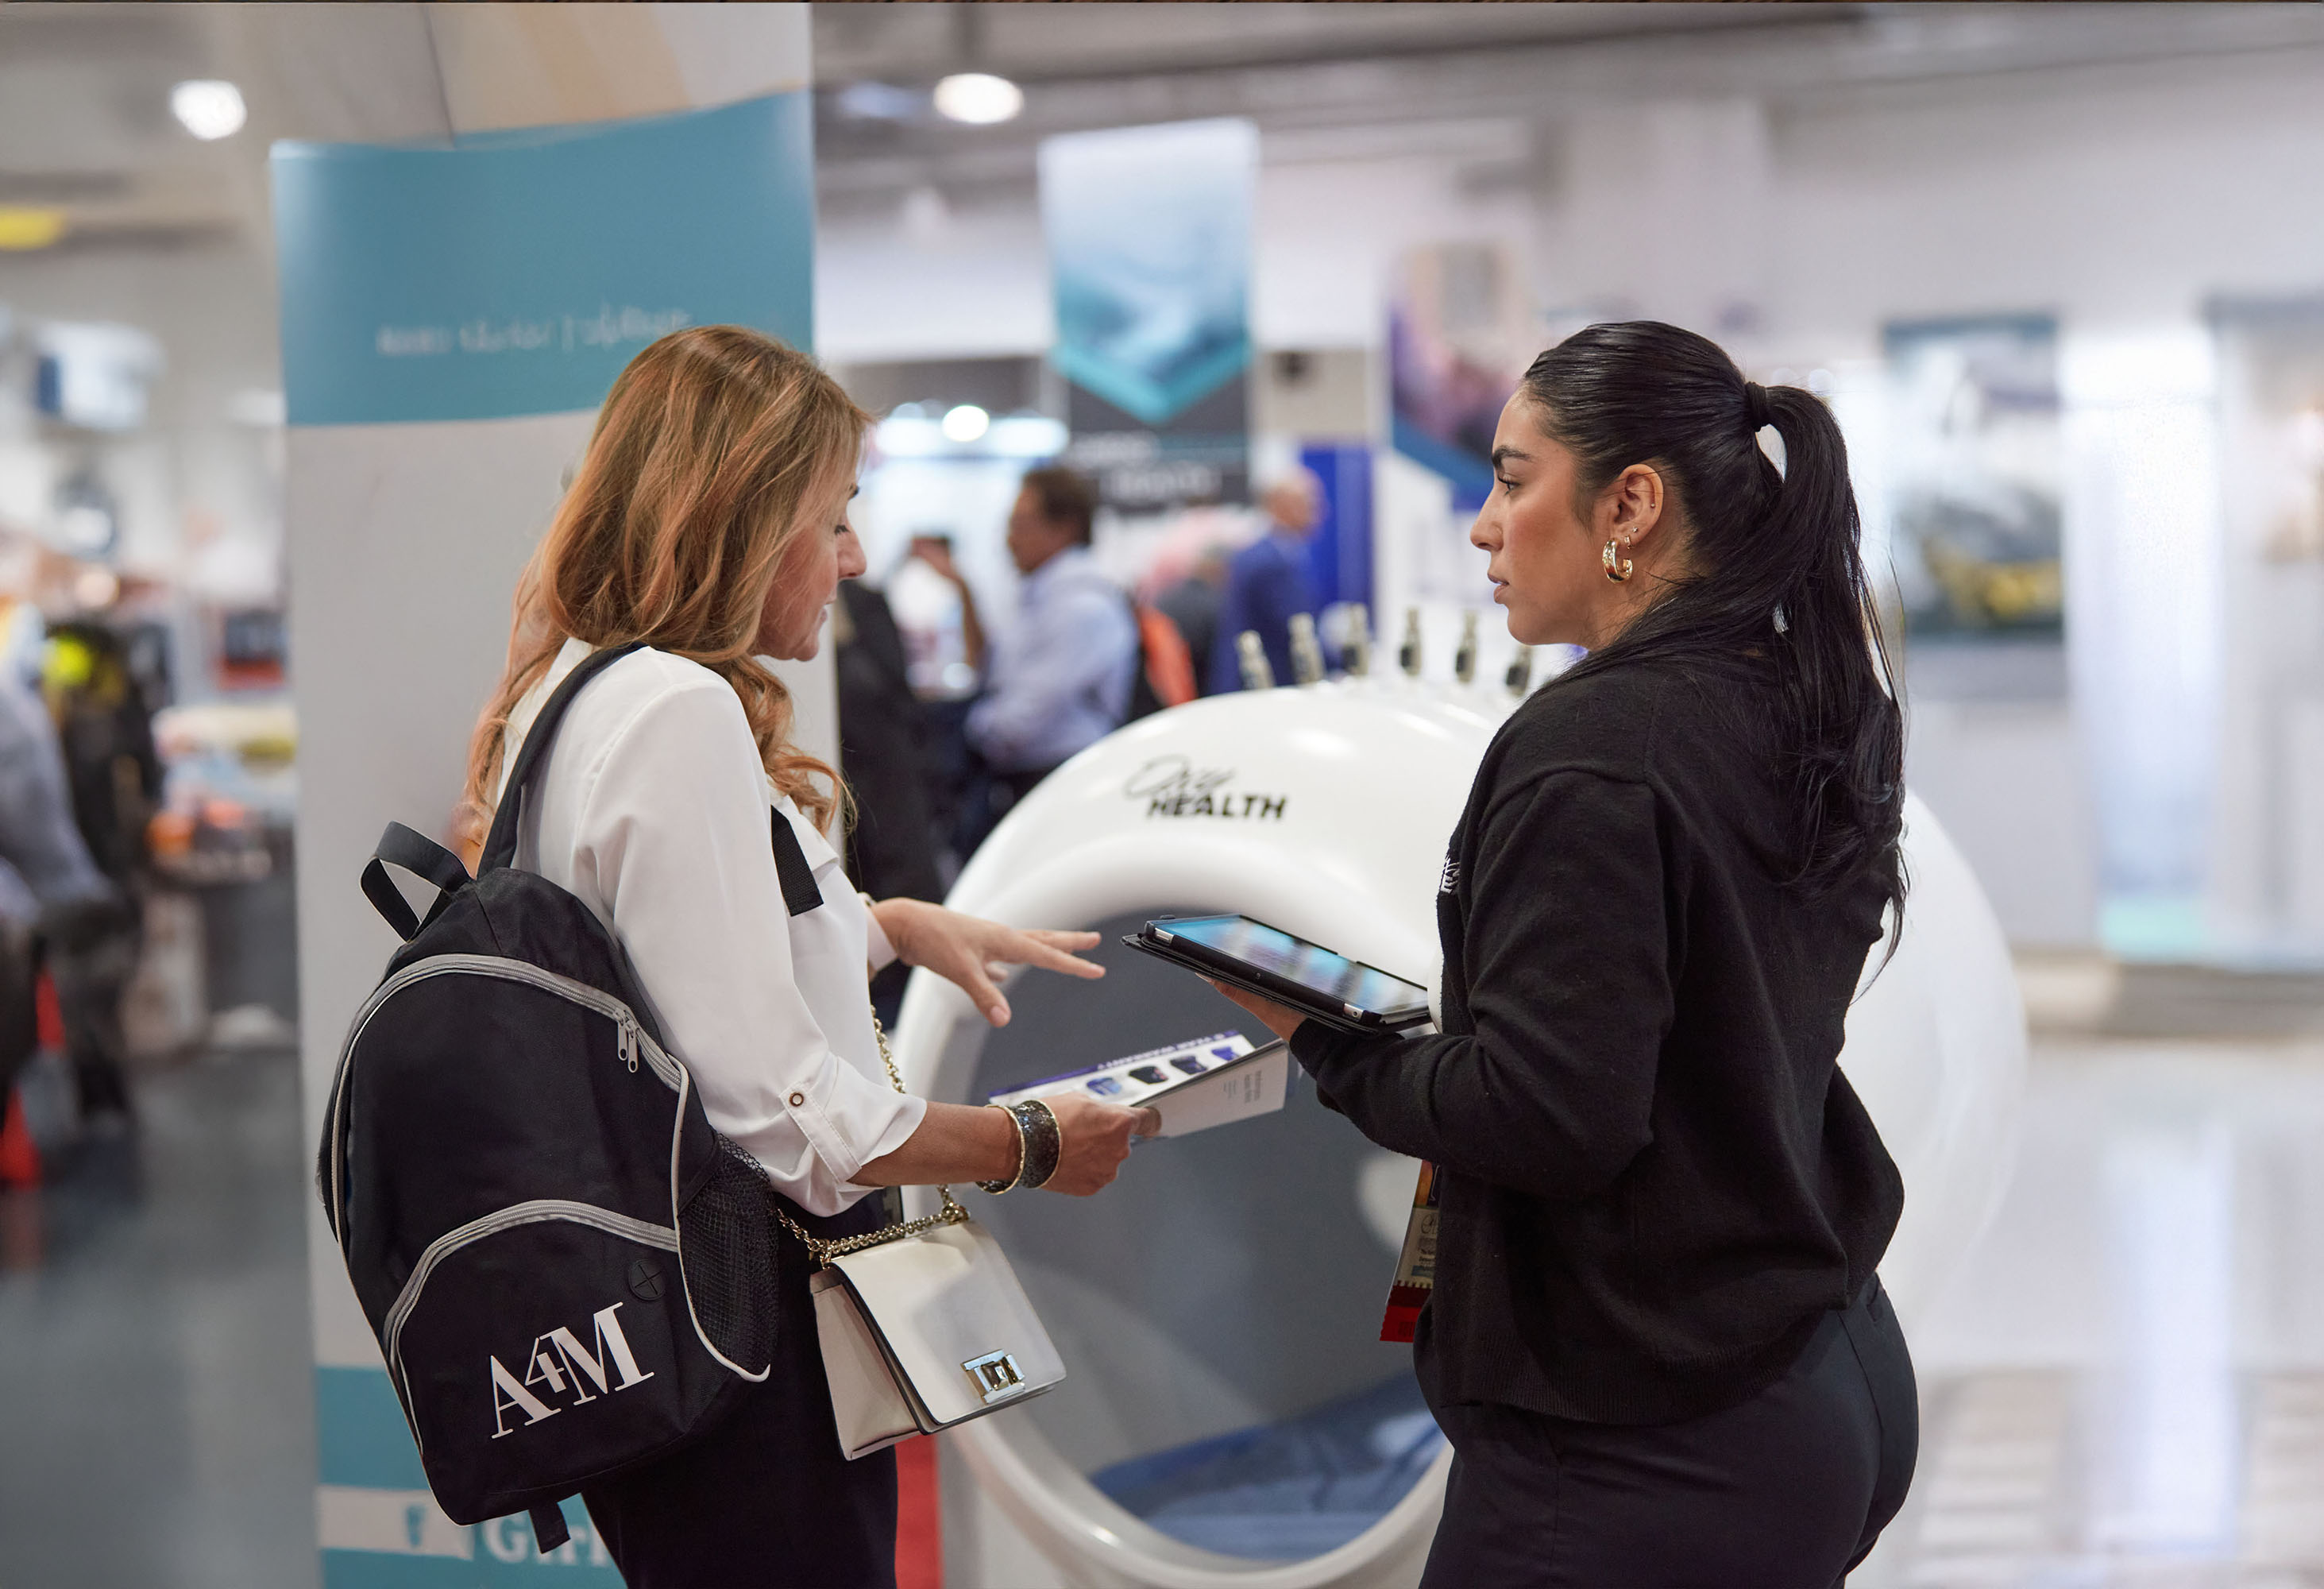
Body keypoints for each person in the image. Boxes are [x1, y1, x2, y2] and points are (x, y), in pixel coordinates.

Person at [1212, 322, 1917, 1587]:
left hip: (1644, 1434)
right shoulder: (1797, 695)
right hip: (1812, 1363)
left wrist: (1326, 1038)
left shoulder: (1594, 747)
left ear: (1629, 504)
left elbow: (1547, 1117)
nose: (1482, 524)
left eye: (1509, 477)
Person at [458, 326, 1156, 1589]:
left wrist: (887, 926)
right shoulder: (678, 713)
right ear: (743, 515)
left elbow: (671, 972)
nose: (852, 558)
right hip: (751, 1343)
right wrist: (1028, 1143)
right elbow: (788, 1118)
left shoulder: (574, 693)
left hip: (676, 1329)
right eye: (833, 517)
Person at [961, 466, 1137, 838]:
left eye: (1022, 523)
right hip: (1033, 776)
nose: (1010, 539)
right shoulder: (1040, 597)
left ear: (1065, 527)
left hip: (1063, 776)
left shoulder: (1081, 607)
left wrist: (974, 729)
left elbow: (1025, 714)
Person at [1210, 472, 1322, 690]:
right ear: (1282, 505)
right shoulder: (1271, 563)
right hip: (1265, 685)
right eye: (1309, 503)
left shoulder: (1271, 554)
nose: (1319, 511)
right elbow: (1295, 628)